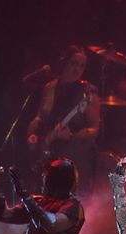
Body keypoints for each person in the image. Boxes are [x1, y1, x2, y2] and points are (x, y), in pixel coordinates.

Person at [27, 45, 100, 190]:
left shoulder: (88, 93)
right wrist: (32, 134)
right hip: (49, 154)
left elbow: (94, 129)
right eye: (73, 63)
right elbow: (40, 117)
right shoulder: (49, 88)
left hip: (74, 158)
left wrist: (72, 136)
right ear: (64, 62)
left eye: (82, 65)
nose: (77, 69)